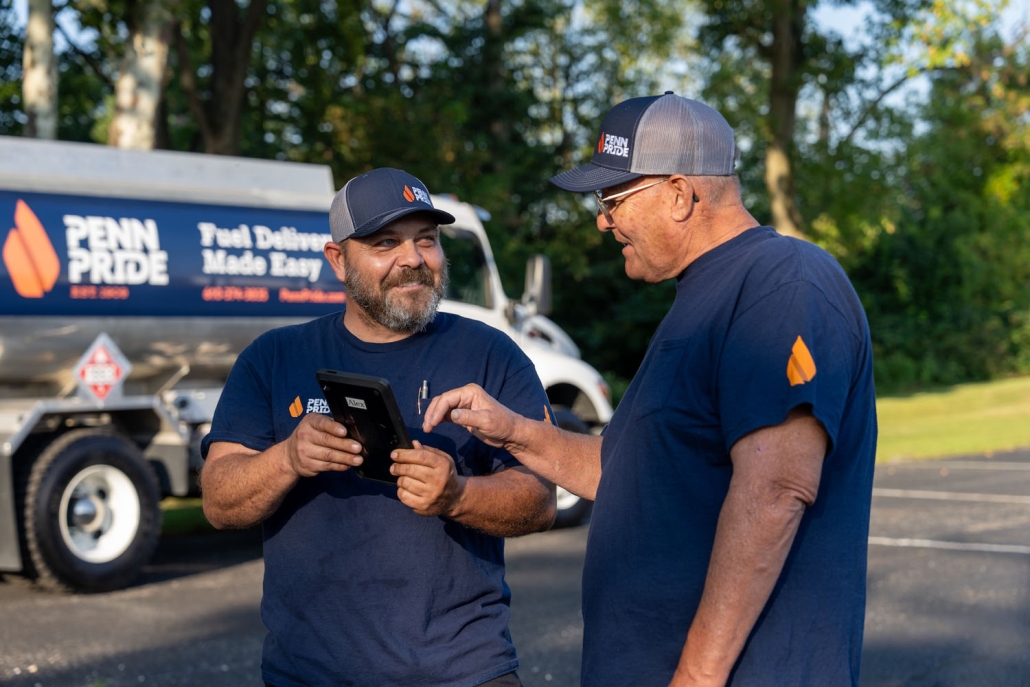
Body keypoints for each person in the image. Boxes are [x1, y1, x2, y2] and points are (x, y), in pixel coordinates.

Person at [422, 92, 877, 686]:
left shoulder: (781, 280)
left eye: (613, 200)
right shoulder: (698, 301)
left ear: (681, 194)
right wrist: (512, 430)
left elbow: (777, 488)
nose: (602, 220)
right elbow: (628, 473)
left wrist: (696, 676)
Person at [200, 167, 556, 687]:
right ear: (338, 260)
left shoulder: (490, 353)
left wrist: (457, 495)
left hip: (464, 672)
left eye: (426, 241)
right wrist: (287, 459)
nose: (413, 259)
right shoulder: (273, 358)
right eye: (386, 242)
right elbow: (217, 501)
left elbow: (540, 501)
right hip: (308, 674)